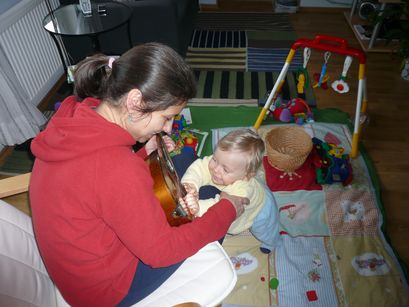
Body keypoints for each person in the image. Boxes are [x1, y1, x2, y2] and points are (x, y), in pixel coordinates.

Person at [29, 43, 249, 307]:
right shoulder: (117, 170)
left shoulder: (78, 113)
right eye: (167, 117)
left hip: (80, 261)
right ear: (135, 102)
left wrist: (145, 152)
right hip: (104, 290)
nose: (167, 129)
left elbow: (93, 185)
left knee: (185, 159)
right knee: (211, 195)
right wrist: (227, 210)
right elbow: (161, 251)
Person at [181, 128, 281, 254]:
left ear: (246, 176)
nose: (216, 169)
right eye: (215, 160)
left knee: (264, 230)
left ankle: (273, 242)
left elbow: (220, 207)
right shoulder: (221, 164)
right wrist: (190, 185)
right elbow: (198, 168)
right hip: (249, 182)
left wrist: (197, 208)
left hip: (261, 207)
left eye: (225, 170)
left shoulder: (242, 190)